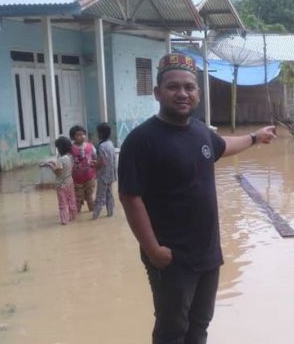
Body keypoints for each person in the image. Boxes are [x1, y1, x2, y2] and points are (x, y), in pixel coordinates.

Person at [118, 53, 276, 344]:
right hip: (171, 257)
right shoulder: (141, 140)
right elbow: (130, 197)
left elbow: (222, 146)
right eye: (173, 87)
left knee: (199, 326)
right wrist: (153, 250)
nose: (182, 93)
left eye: (189, 87)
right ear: (157, 93)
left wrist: (254, 137)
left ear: (198, 94)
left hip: (207, 253)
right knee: (172, 330)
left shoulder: (201, 131)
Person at [42, 136, 77, 225]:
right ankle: (73, 217)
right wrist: (54, 163)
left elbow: (57, 172)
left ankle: (64, 220)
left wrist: (50, 166)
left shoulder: (61, 159)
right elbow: (63, 168)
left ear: (60, 148)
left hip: (61, 185)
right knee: (71, 201)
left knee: (62, 204)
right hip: (70, 183)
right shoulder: (70, 157)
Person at [69, 125, 97, 213]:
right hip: (76, 180)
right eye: (78, 135)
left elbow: (95, 158)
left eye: (83, 134)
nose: (82, 136)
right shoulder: (71, 149)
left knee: (90, 197)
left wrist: (96, 172)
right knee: (78, 199)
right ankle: (77, 218)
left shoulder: (90, 146)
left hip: (90, 177)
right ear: (73, 137)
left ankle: (92, 215)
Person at [93, 122, 117, 219]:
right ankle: (110, 213)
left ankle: (95, 216)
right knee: (109, 194)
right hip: (111, 174)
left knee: (100, 196)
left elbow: (102, 162)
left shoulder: (101, 146)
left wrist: (95, 165)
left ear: (100, 133)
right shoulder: (110, 144)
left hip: (103, 176)